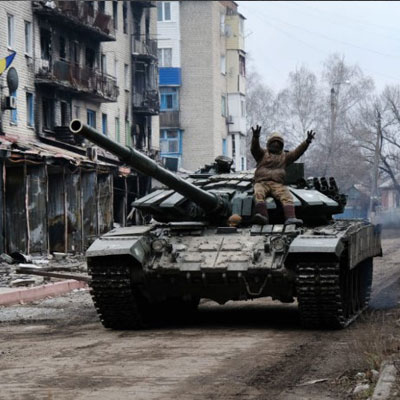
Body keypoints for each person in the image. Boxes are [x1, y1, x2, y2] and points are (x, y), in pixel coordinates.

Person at [251, 125, 316, 225]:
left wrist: (306, 142)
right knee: (258, 193)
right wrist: (255, 138)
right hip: (261, 182)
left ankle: (290, 217)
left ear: (281, 145)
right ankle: (263, 216)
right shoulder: (262, 154)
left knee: (287, 195)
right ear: (269, 144)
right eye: (273, 142)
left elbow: (297, 152)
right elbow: (254, 149)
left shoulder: (285, 157)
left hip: (277, 183)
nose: (276, 144)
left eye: (278, 143)